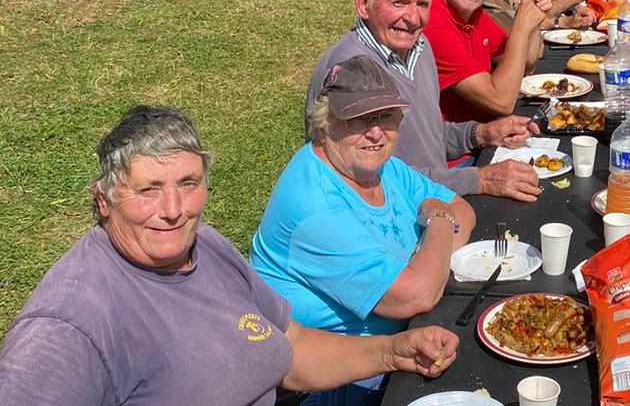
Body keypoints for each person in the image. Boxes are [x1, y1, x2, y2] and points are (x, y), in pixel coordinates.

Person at [0, 106, 461, 406]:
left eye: (188, 184)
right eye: (148, 190)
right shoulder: (68, 325)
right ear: (103, 200)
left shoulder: (206, 246)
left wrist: (392, 352)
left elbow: (293, 345)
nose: (173, 211)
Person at [254, 58, 475, 405]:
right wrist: (438, 221)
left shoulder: (381, 168)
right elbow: (416, 294)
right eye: (359, 119)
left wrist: (430, 257)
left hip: (408, 346)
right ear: (325, 125)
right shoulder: (313, 206)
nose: (376, 132)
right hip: (340, 383)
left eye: (386, 117)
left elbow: (464, 209)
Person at [307, 0, 542, 201]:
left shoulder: (418, 47)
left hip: (436, 193)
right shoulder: (353, 69)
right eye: (399, 2)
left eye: (422, 4)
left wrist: (481, 133)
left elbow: (425, 134)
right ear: (364, 4)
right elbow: (373, 180)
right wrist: (480, 179)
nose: (413, 18)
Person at [423, 0, 551, 126]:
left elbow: (525, 62)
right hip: (457, 149)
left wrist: (533, 17)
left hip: (487, 130)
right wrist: (521, 28)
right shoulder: (432, 21)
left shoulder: (472, 13)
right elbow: (501, 102)